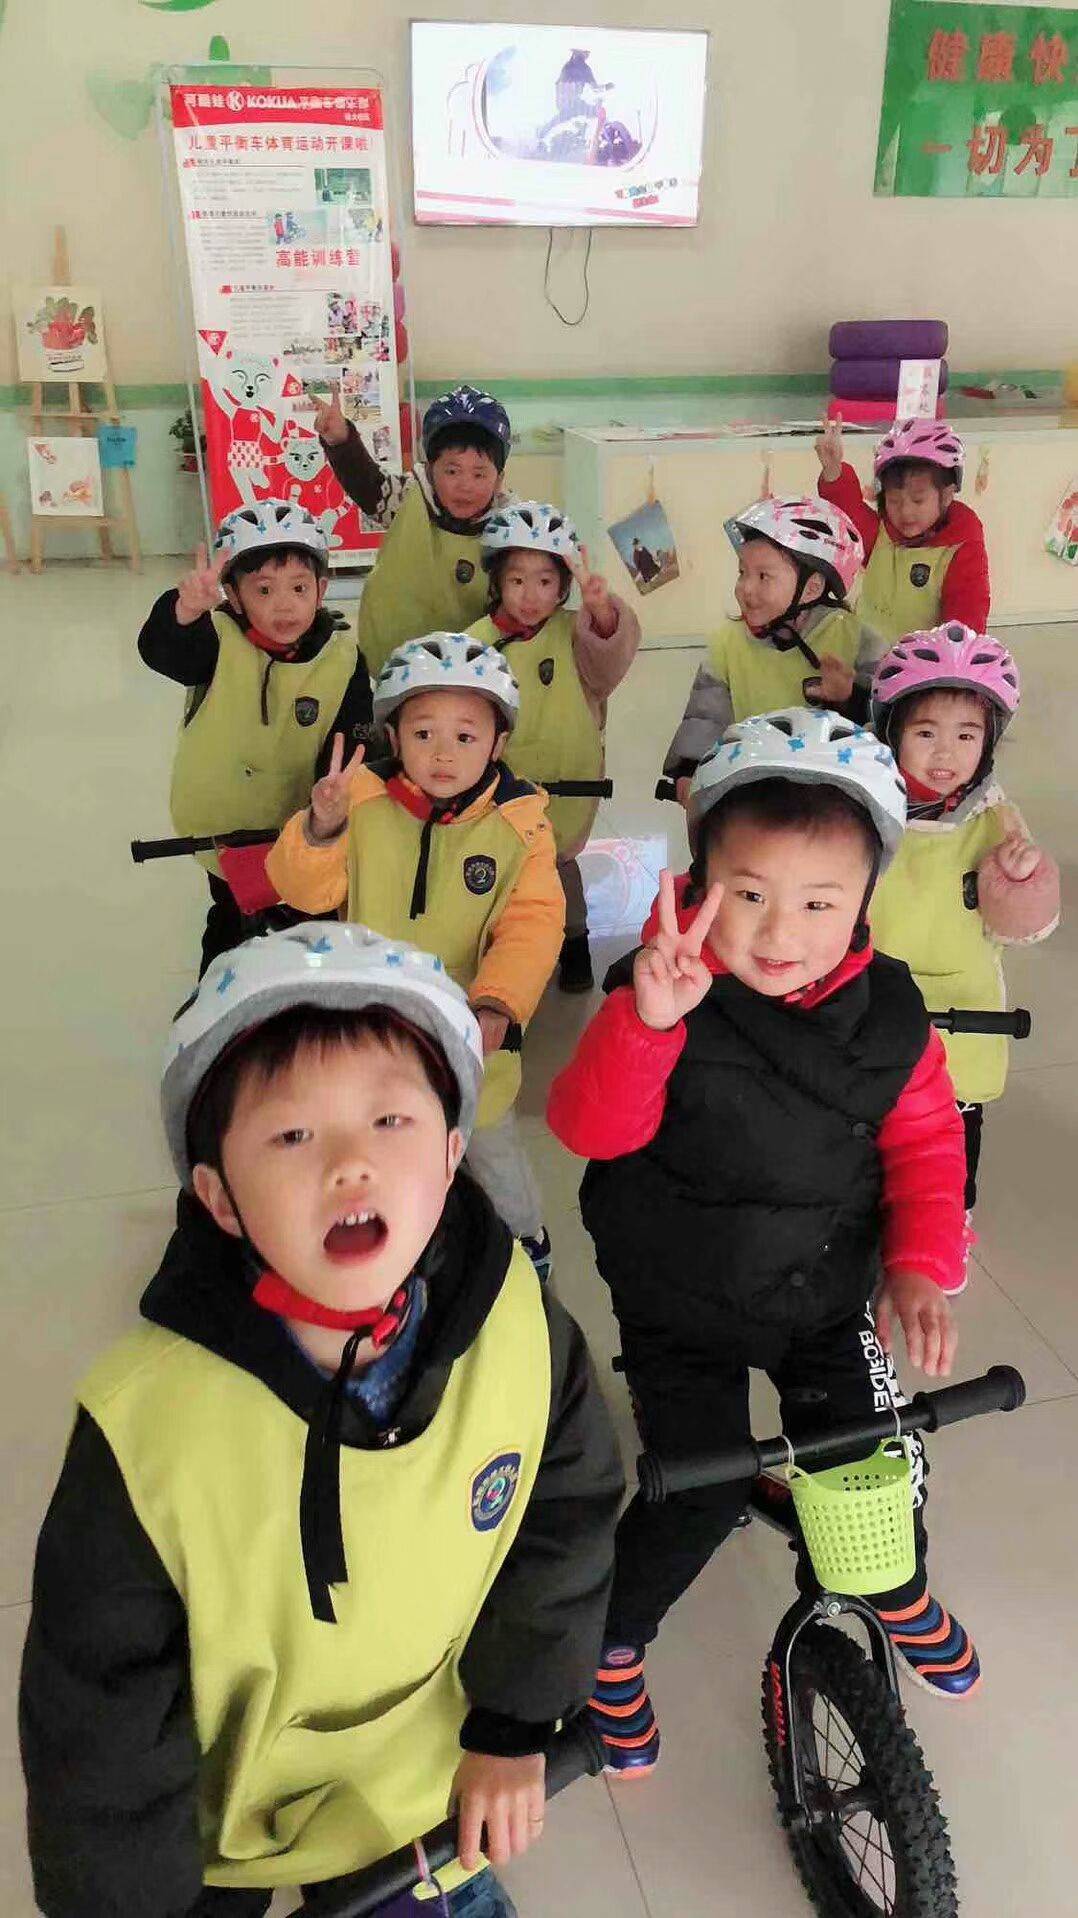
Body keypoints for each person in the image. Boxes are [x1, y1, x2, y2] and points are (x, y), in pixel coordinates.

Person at [20, 924, 623, 1918]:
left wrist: (517, 1723)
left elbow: (564, 1518)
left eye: (391, 1119)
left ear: (452, 1153)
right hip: (211, 1828)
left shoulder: (517, 1325)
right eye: (293, 1136)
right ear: (218, 1197)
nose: (352, 1163)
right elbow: (99, 1712)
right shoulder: (148, 1430)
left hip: (416, 1782)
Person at [548, 706, 982, 1779]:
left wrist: (917, 1263)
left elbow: (927, 1141)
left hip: (822, 1289)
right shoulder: (662, 987)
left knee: (869, 1465)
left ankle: (895, 1586)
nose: (781, 932)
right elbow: (588, 1131)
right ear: (699, 882)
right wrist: (646, 1024)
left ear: (865, 901)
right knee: (694, 1489)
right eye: (748, 894)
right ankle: (612, 1642)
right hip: (678, 1295)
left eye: (819, 902)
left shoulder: (890, 1017)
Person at [267, 633, 563, 1279]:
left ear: (498, 743)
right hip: (375, 1022)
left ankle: (524, 1244)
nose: (443, 753)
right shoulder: (362, 801)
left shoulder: (520, 825)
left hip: (472, 1030)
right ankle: (404, 1242)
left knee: (489, 1148)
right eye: (424, 733)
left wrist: (498, 1003)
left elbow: (534, 923)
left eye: (465, 735)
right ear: (393, 737)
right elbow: (303, 892)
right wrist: (322, 828)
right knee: (385, 1142)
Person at [869, 623, 1059, 1219]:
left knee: (949, 1151)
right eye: (926, 733)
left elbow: (1020, 929)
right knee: (869, 1137)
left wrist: (1022, 881)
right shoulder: (863, 810)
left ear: (988, 742)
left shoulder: (996, 821)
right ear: (892, 732)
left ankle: (948, 1222)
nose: (946, 754)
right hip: (871, 1005)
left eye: (966, 735)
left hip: (962, 1018)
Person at [138, 501, 371, 975]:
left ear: (322, 590)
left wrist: (331, 807)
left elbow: (351, 744)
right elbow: (166, 653)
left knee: (309, 919)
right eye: (264, 590)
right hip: (222, 826)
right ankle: (217, 999)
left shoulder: (343, 658)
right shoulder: (216, 639)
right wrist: (185, 611)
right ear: (234, 596)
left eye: (299, 588)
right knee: (231, 920)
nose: (284, 605)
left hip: (298, 825)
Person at [468, 501, 642, 994]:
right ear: (497, 582)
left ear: (563, 586)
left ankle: (575, 940)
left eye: (545, 581)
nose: (530, 595)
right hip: (503, 780)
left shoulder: (576, 632)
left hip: (569, 775)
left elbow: (608, 663)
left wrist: (601, 609)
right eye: (517, 580)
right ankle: (505, 943)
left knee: (558, 862)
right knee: (504, 863)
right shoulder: (477, 641)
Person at [662, 495, 875, 798]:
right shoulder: (727, 643)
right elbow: (707, 716)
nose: (745, 588)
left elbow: (891, 721)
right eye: (742, 573)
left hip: (832, 798)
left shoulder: (855, 638)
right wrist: (690, 770)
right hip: (752, 792)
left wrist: (851, 697)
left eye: (764, 576)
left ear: (812, 587)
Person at [311, 382, 514, 676]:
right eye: (452, 470)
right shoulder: (409, 497)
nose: (465, 485)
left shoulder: (507, 531)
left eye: (479, 474)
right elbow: (368, 485)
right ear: (430, 471)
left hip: (466, 672)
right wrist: (341, 440)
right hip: (391, 660)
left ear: (499, 480)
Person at [816, 415, 990, 654]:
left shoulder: (960, 547)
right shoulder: (881, 532)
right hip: (864, 657)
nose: (905, 512)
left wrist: (952, 660)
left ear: (947, 495)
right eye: (894, 500)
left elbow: (966, 619)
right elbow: (848, 511)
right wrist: (834, 471)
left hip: (921, 667)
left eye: (918, 500)